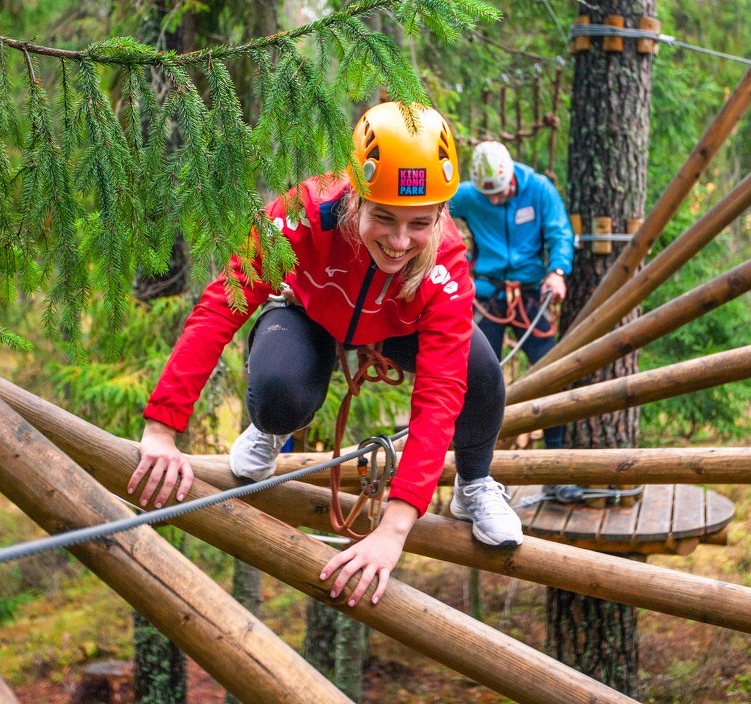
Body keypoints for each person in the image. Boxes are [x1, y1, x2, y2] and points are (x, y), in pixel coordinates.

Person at [130, 102, 523, 611]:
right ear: (355, 197)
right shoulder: (300, 214)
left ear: (443, 213)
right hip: (309, 309)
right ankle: (271, 428)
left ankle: (474, 484)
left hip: (397, 325)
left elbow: (440, 392)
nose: (401, 241)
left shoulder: (444, 259)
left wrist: (394, 528)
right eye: (383, 217)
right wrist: (162, 427)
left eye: (420, 223)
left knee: (479, 373)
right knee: (280, 392)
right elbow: (220, 309)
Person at [449, 140, 573, 371]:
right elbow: (430, 209)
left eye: (499, 192)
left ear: (511, 177)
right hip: (486, 294)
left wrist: (557, 272)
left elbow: (560, 234)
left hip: (531, 291)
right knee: (480, 368)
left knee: (549, 365)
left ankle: (549, 407)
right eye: (487, 194)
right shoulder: (468, 195)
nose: (494, 200)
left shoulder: (539, 189)